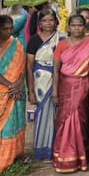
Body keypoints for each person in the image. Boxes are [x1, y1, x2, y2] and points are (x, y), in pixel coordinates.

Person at [52, 14, 89, 173]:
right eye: (74, 25)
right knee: (65, 121)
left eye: (80, 25)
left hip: (83, 86)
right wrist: (55, 93)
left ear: (84, 26)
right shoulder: (62, 45)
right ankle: (64, 157)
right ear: (68, 27)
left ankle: (80, 157)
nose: (77, 28)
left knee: (80, 120)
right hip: (65, 85)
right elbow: (56, 70)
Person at [0, 15, 27, 172]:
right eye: (4, 29)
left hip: (18, 89)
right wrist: (11, 86)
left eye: (10, 29)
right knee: (2, 126)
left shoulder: (17, 44)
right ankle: (0, 158)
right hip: (0, 92)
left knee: (17, 122)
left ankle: (16, 154)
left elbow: (22, 66)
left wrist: (19, 84)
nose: (8, 32)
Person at [26, 8, 64, 162]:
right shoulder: (34, 40)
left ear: (56, 21)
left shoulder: (61, 39)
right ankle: (42, 149)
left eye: (51, 20)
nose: (48, 23)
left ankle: (56, 148)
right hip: (40, 82)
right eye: (44, 20)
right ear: (40, 23)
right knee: (42, 114)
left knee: (57, 114)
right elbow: (29, 66)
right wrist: (31, 91)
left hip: (58, 79)